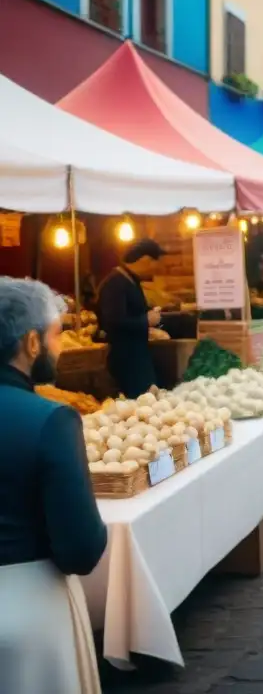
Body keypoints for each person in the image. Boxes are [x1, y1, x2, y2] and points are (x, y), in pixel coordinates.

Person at [0, 278, 107, 694]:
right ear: (31, 343)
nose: (59, 347)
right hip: (27, 614)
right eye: (56, 334)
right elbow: (80, 548)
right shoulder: (51, 420)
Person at [96, 238, 164, 398]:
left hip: (139, 355)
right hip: (126, 359)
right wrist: (145, 321)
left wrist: (152, 315)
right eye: (156, 263)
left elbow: (134, 311)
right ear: (146, 260)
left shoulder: (131, 281)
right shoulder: (115, 283)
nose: (157, 268)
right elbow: (113, 321)